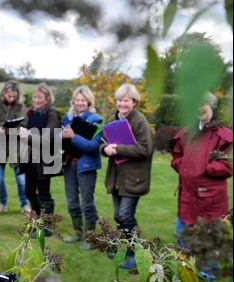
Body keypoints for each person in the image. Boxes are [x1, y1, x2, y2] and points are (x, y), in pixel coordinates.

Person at [171, 92, 232, 280]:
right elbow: (176, 156)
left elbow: (228, 163)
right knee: (182, 229)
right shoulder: (188, 131)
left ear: (212, 107)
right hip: (187, 193)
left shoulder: (224, 134)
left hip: (210, 197)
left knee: (208, 235)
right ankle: (185, 266)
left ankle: (208, 270)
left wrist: (204, 167)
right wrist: (183, 166)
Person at [100, 83, 155, 268]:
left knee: (125, 215)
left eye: (126, 100)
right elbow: (103, 142)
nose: (122, 104)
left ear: (134, 102)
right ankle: (122, 249)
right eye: (119, 100)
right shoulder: (113, 118)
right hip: (117, 177)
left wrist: (118, 149)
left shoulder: (140, 121)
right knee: (118, 215)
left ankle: (137, 254)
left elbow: (145, 149)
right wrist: (105, 149)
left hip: (133, 178)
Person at [60, 86, 103, 249]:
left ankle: (90, 238)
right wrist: (61, 136)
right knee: (71, 201)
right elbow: (62, 141)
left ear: (89, 101)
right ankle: (78, 233)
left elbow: (92, 146)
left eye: (83, 100)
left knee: (87, 202)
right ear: (73, 101)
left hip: (86, 165)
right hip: (69, 163)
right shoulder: (68, 117)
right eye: (77, 100)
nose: (79, 103)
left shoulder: (96, 119)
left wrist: (73, 136)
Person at [19, 83, 62, 237]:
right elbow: (23, 130)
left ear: (47, 99)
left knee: (44, 193)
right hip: (30, 158)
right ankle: (36, 223)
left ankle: (47, 227)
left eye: (40, 97)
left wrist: (28, 135)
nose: (36, 100)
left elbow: (48, 139)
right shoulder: (31, 112)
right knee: (29, 191)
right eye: (35, 97)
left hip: (45, 159)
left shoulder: (52, 114)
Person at [0, 80, 30, 214]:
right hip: (0, 146)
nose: (11, 99)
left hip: (17, 147)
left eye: (14, 96)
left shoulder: (21, 107)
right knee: (0, 180)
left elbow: (24, 124)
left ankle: (25, 205)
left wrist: (16, 130)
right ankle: (3, 204)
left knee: (21, 180)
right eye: (9, 96)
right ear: (3, 93)